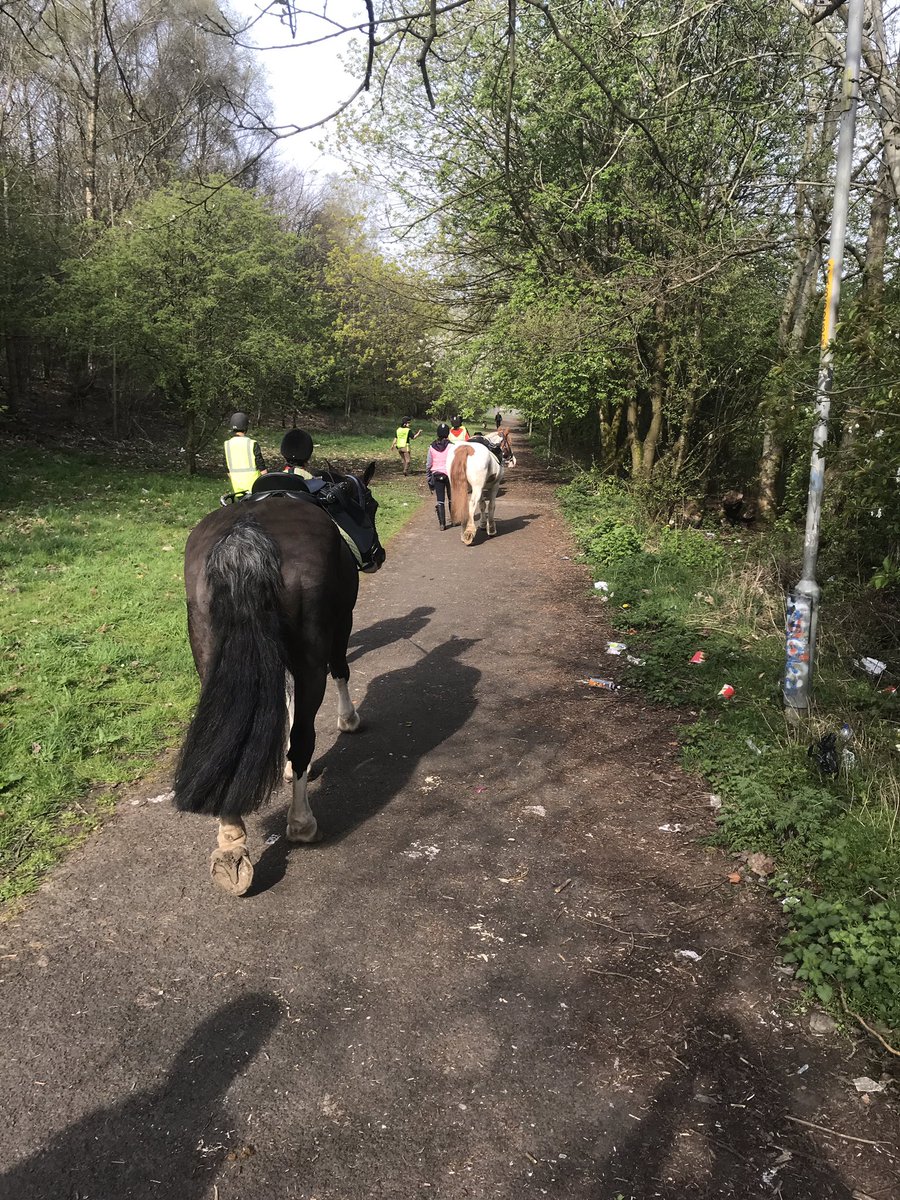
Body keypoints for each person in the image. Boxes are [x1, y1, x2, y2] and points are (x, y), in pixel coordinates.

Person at [224, 412, 266, 495]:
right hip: (254, 486)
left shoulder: (227, 444)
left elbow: (227, 467)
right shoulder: (252, 443)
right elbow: (261, 465)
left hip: (237, 487)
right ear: (246, 427)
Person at [425, 423, 454, 530]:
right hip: (449, 475)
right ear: (447, 433)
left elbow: (428, 464)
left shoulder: (431, 447)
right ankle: (454, 519)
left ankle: (442, 524)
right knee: (451, 498)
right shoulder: (452, 446)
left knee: (440, 500)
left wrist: (429, 477)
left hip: (437, 475)